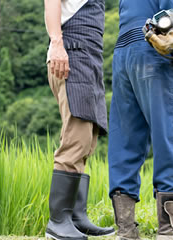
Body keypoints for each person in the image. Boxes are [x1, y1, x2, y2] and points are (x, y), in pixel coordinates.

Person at [108, 0, 173, 239]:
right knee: (169, 133)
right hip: (153, 54)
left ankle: (126, 229)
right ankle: (169, 229)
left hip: (123, 55)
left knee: (125, 137)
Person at [44, 0, 114, 239]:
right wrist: (56, 43)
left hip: (89, 57)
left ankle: (76, 217)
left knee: (88, 139)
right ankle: (58, 221)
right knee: (77, 135)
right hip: (71, 52)